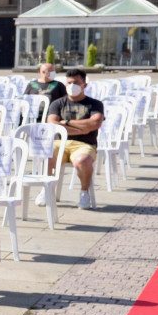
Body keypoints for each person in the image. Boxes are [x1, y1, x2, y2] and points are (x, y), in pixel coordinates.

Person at [39, 68, 105, 210]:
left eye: (75, 83)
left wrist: (66, 123)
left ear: (84, 85)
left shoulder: (95, 104)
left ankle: (84, 193)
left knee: (82, 161)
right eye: (69, 83)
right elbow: (52, 124)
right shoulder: (57, 103)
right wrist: (84, 127)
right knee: (46, 154)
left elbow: (96, 123)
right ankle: (46, 189)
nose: (71, 86)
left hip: (85, 144)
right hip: (60, 143)